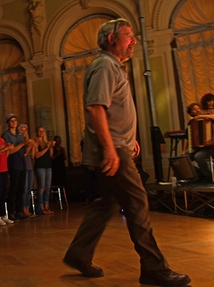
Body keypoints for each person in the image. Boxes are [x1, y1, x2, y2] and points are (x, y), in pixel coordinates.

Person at [62, 18, 191, 286]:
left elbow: (113, 110)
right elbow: (95, 108)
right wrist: (111, 148)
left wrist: (128, 139)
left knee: (107, 203)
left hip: (120, 146)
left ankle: (78, 254)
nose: (133, 40)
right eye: (128, 35)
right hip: (114, 151)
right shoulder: (105, 66)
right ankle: (153, 267)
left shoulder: (114, 67)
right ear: (111, 38)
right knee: (137, 202)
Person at [2, 114, 29, 221]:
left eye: (15, 121)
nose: (13, 122)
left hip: (22, 163)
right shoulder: (6, 135)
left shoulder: (20, 134)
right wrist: (22, 144)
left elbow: (25, 149)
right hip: (13, 163)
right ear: (8, 123)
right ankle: (11, 212)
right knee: (13, 188)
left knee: (21, 189)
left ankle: (19, 211)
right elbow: (10, 150)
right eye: (11, 121)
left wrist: (26, 141)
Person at [180, 102, 214, 181]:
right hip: (198, 149)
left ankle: (208, 176)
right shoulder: (191, 123)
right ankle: (198, 174)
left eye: (198, 108)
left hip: (210, 148)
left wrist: (201, 116)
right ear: (191, 112)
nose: (197, 110)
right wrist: (183, 150)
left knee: (198, 156)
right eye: (194, 109)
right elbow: (186, 137)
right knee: (184, 158)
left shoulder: (208, 119)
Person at [34, 126, 55, 215]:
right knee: (41, 187)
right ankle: (41, 207)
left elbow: (51, 155)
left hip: (48, 166)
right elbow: (37, 155)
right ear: (37, 132)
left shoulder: (46, 142)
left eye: (43, 131)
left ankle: (47, 206)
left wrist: (50, 147)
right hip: (40, 166)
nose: (41, 133)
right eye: (40, 131)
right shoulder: (35, 142)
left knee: (47, 187)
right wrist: (46, 148)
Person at [18, 123, 36, 217]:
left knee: (29, 189)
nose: (24, 132)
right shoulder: (20, 142)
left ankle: (28, 208)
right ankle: (23, 208)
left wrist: (32, 146)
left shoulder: (28, 141)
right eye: (22, 130)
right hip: (23, 167)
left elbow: (32, 156)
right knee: (24, 189)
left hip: (30, 167)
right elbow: (24, 154)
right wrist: (28, 146)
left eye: (25, 130)